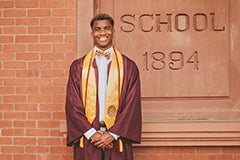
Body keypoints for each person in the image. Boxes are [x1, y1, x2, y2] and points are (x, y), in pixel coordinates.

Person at [65, 13, 142, 160]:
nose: (102, 33)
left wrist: (112, 135)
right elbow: (72, 105)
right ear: (92, 33)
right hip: (88, 139)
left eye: (106, 28)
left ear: (113, 31)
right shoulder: (78, 67)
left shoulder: (128, 67)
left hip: (117, 140)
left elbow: (132, 105)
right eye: (97, 29)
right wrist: (91, 133)